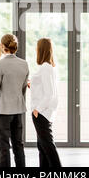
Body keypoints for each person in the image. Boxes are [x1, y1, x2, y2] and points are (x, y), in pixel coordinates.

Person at [0, 34, 29, 167]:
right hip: (18, 110)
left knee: (3, 148)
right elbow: (23, 89)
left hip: (2, 111)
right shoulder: (24, 64)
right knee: (19, 146)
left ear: (2, 47)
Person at [30, 38, 61, 167]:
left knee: (47, 146)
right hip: (45, 111)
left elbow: (49, 94)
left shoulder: (45, 68)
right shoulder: (50, 67)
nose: (36, 50)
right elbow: (46, 89)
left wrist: (37, 109)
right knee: (42, 147)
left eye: (37, 48)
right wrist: (32, 85)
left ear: (41, 50)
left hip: (42, 112)